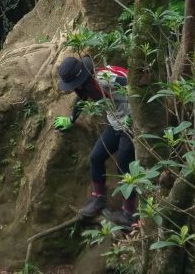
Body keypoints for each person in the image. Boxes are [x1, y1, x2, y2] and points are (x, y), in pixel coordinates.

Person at [54, 55, 136, 227]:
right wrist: (71, 119)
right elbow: (80, 100)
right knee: (96, 157)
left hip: (129, 125)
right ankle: (98, 198)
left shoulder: (107, 80)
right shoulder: (87, 85)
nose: (74, 90)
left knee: (124, 166)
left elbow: (135, 87)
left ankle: (129, 214)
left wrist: (135, 117)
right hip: (115, 124)